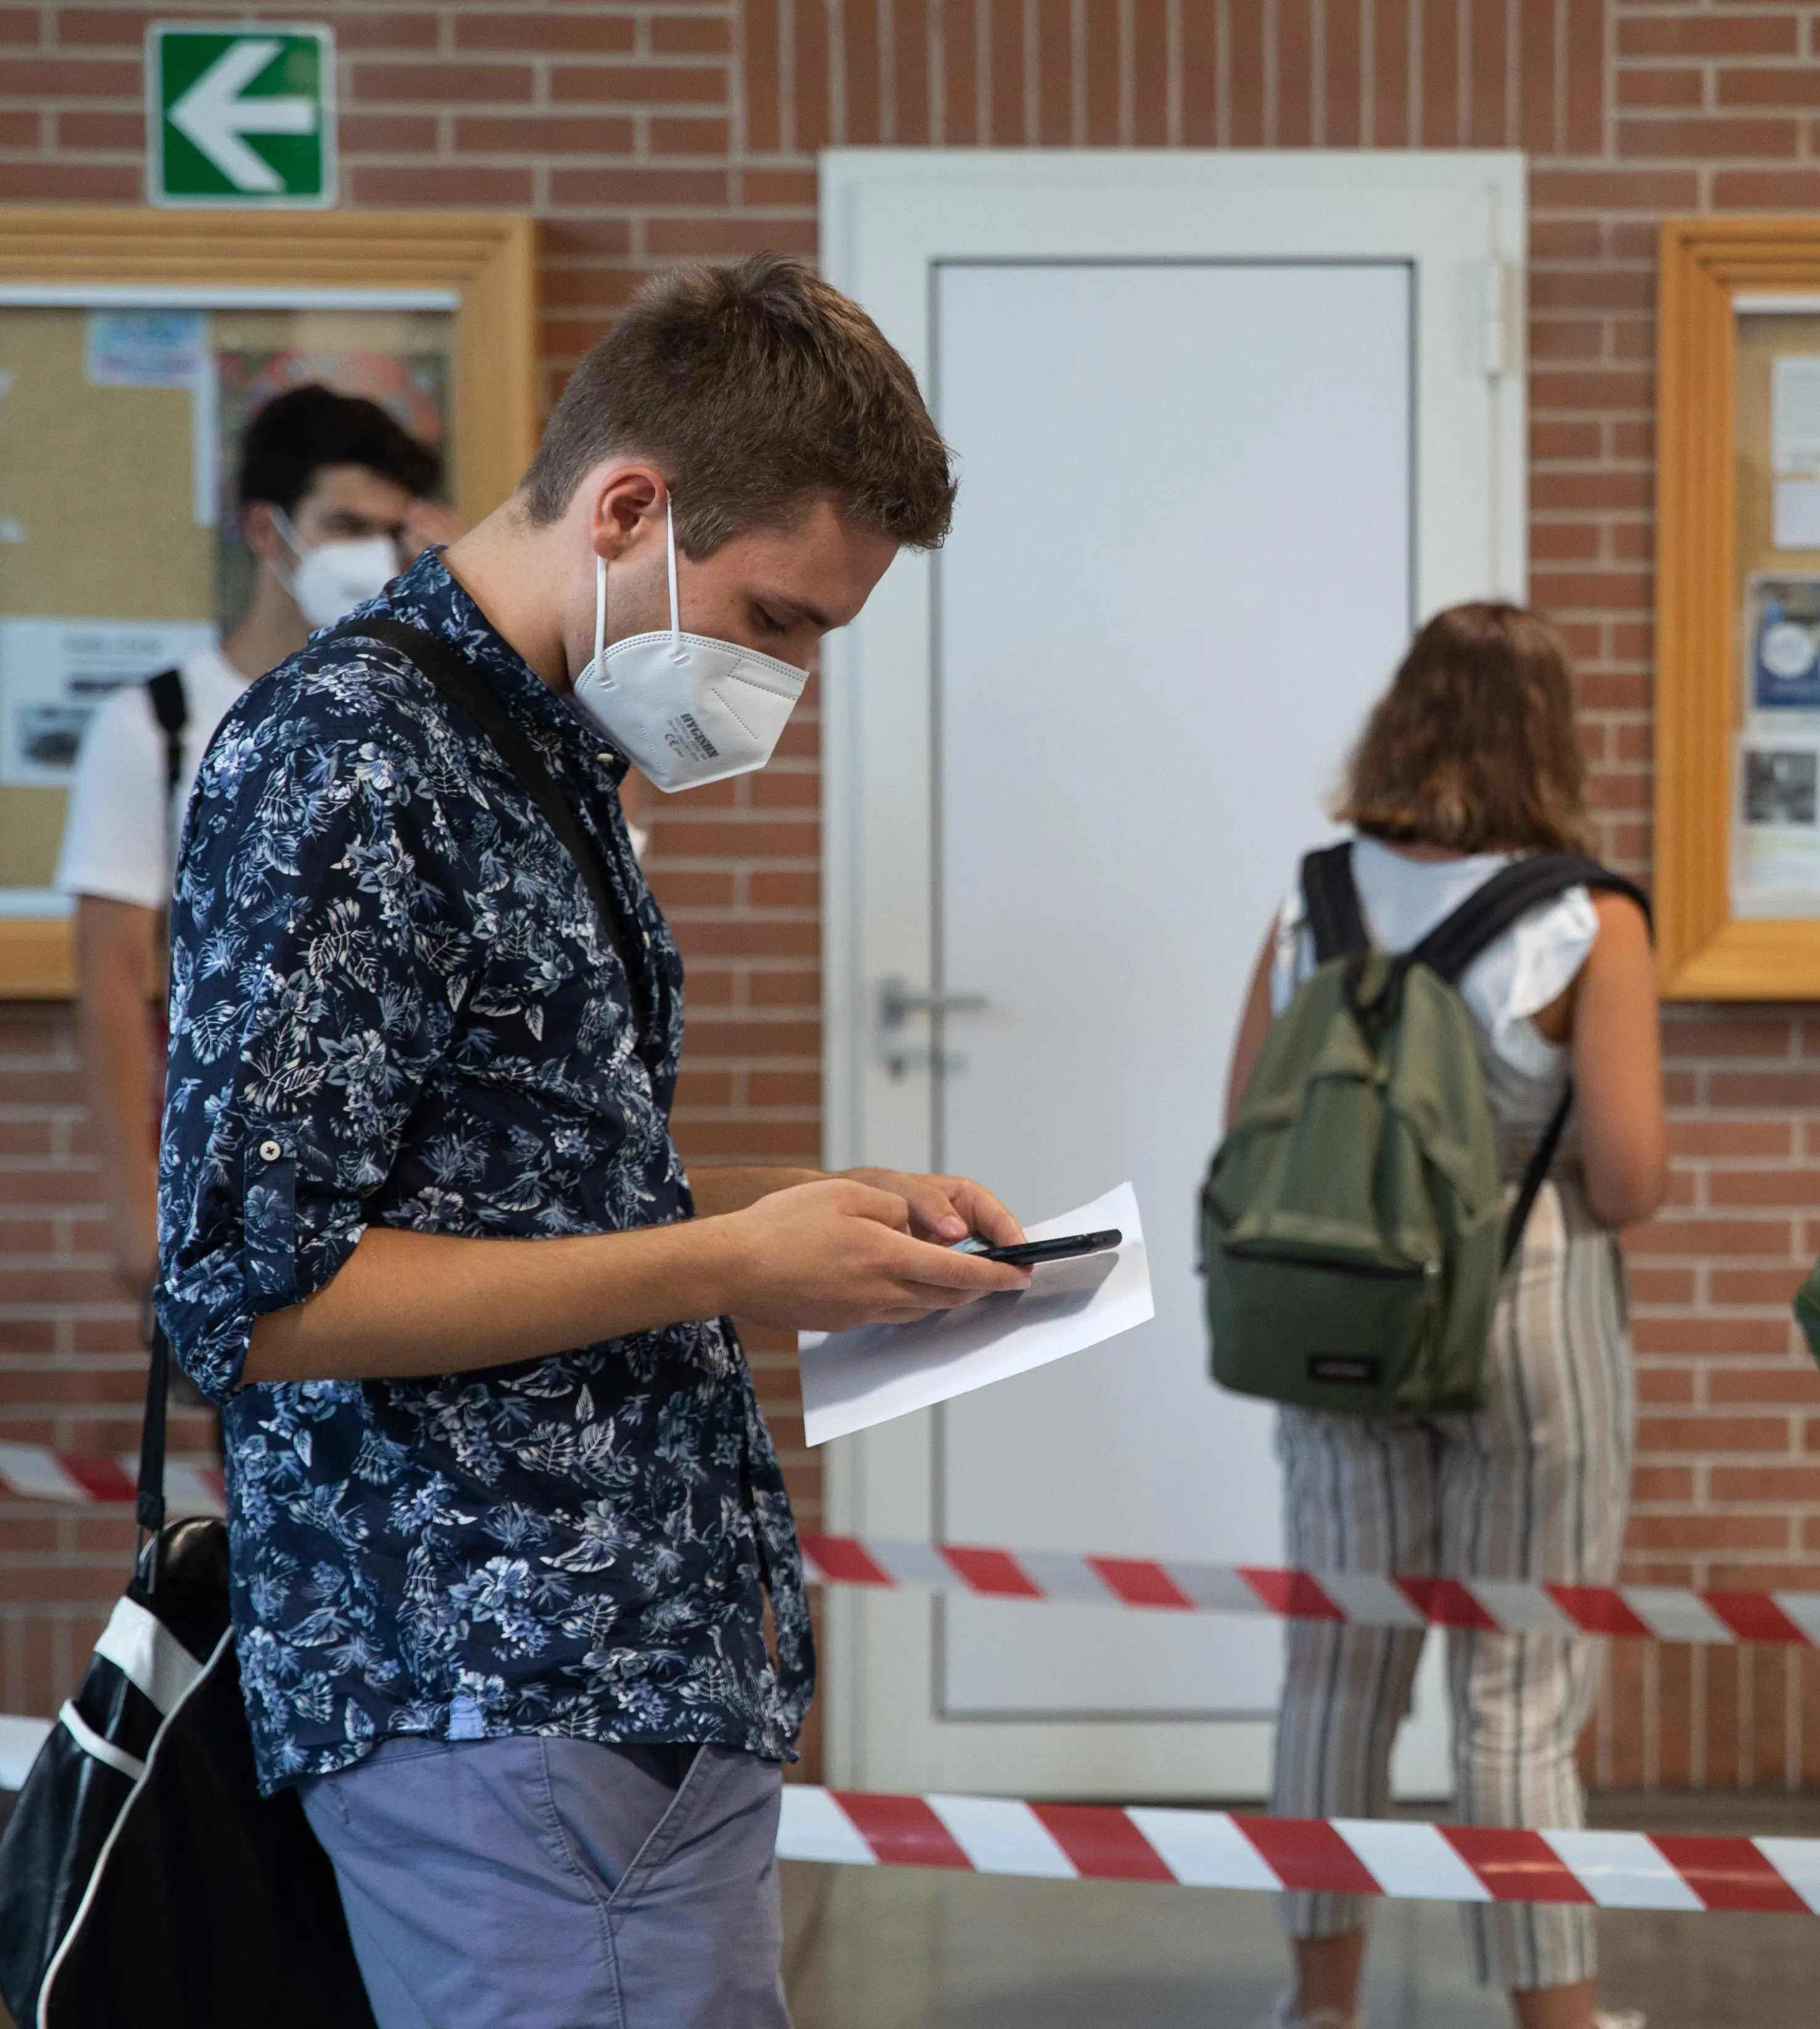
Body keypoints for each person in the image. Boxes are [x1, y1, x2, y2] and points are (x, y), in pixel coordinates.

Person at [154, 257, 1033, 2028]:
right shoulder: (355, 760)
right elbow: (256, 1297)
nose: (787, 677)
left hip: (614, 1677)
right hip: (501, 1674)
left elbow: (522, 1191)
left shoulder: (530, 753)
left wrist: (813, 1208)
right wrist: (727, 1261)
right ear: (630, 506)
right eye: (781, 618)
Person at [1222, 604, 1668, 2029]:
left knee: (1337, 1677)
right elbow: (1629, 1179)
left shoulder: (1309, 901)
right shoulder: (1584, 918)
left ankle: (1321, 2007)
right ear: (1549, 737)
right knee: (1518, 1687)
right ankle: (1551, 2017)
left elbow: (1247, 1136)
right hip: (1529, 1330)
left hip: (1339, 1325)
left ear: (1400, 716)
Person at [60, 384, 448, 1308]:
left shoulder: (416, 721)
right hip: (228, 1189)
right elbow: (112, 978)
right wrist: (135, 1207)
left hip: (401, 1195)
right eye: (343, 522)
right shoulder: (156, 724)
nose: (367, 554)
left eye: (388, 531)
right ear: (266, 529)